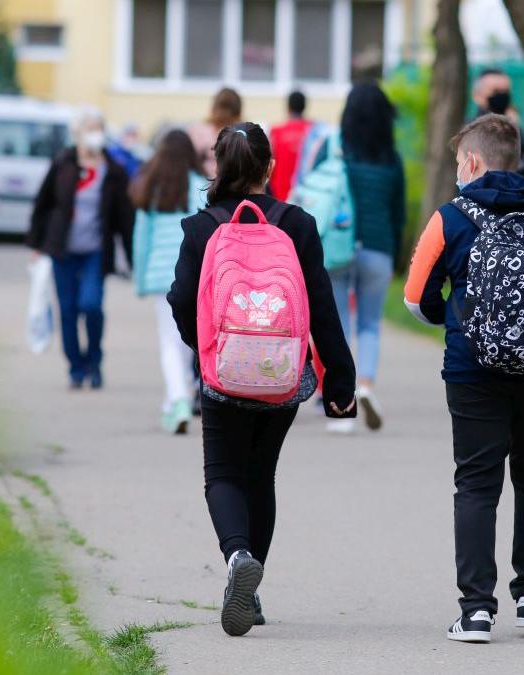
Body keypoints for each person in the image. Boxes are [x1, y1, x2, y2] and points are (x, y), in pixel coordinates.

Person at [404, 114, 524, 643]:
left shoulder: (450, 217)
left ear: (471, 162)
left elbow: (415, 299)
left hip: (473, 369)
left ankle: (476, 612)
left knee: (476, 482)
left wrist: (461, 319)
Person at [168, 122, 357, 636]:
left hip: (223, 373)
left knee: (222, 475)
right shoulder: (296, 224)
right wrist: (341, 379)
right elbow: (321, 306)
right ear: (270, 169)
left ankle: (237, 559)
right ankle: (250, 594)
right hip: (283, 376)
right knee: (260, 476)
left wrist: (206, 349)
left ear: (218, 168)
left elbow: (182, 301)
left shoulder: (200, 228)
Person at [318, 81, 406, 434]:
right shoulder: (392, 160)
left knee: (338, 326)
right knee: (370, 324)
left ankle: (344, 401)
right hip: (378, 248)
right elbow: (398, 212)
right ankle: (366, 385)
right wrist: (396, 253)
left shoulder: (337, 153)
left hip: (339, 247)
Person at [27, 112, 134, 390]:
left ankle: (95, 360)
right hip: (62, 250)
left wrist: (133, 256)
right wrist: (36, 245)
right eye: (89, 129)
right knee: (69, 311)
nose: (94, 134)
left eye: (98, 128)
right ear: (78, 133)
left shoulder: (113, 170)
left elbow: (125, 217)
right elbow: (43, 204)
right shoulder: (63, 163)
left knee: (91, 305)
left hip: (95, 251)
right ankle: (76, 367)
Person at [129, 129, 207, 433]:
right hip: (194, 275)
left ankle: (177, 400)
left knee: (169, 343)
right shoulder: (201, 188)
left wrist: (139, 279)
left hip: (162, 278)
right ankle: (178, 398)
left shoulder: (152, 188)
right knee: (186, 342)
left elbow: (141, 240)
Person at [471, 68, 524, 183]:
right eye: (495, 91)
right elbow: (492, 172)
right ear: (477, 96)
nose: (502, 96)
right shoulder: (471, 131)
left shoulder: (511, 126)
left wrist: (519, 164)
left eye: (506, 91)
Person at [268, 90, 312, 201]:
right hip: (307, 197)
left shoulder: (275, 132)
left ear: (288, 107)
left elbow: (269, 164)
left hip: (280, 197)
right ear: (304, 107)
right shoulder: (313, 131)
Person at [188, 87, 242, 178]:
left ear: (213, 107)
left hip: (202, 185)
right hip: (235, 186)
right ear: (239, 111)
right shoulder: (243, 134)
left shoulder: (198, 131)